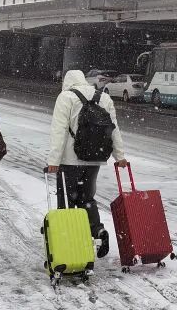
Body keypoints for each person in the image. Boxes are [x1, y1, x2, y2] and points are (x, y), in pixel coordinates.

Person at [46, 69, 128, 258]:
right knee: (87, 199)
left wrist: (53, 161)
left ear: (67, 82)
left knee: (67, 201)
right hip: (94, 158)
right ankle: (98, 231)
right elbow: (113, 129)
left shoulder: (66, 97)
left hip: (70, 160)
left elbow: (59, 131)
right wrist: (120, 156)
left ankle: (69, 243)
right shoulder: (104, 97)